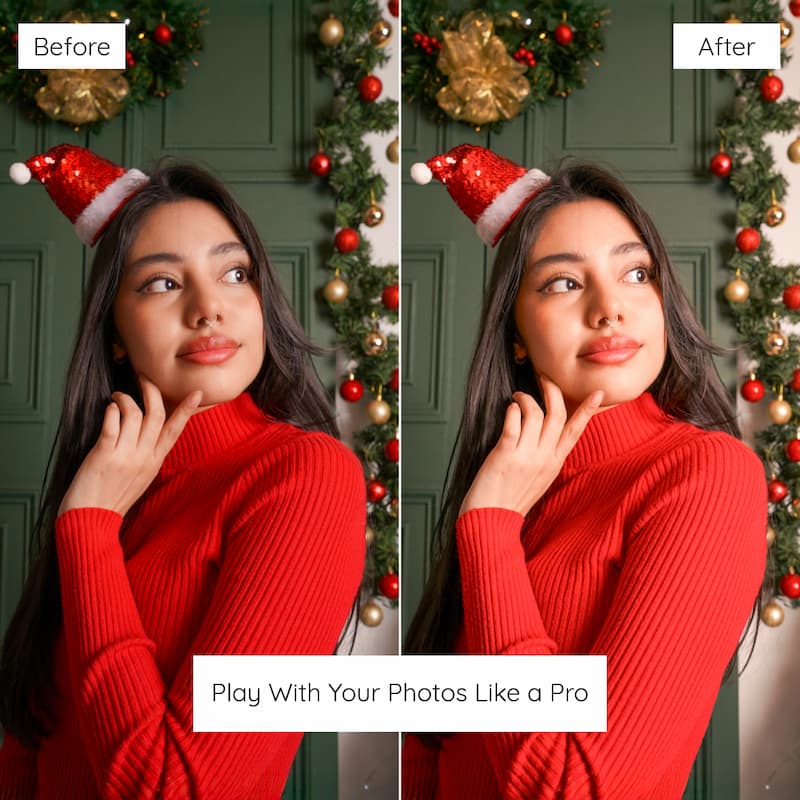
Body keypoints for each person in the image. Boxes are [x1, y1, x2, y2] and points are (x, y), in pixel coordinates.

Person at [0, 145, 366, 799]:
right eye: (162, 283)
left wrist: (87, 533)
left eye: (234, 275)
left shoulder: (304, 477)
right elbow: (31, 744)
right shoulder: (108, 486)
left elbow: (179, 789)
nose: (209, 308)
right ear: (114, 331)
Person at [403, 145, 767, 799]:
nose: (610, 308)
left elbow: (582, 789)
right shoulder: (509, 483)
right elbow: (434, 751)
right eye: (564, 283)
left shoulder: (705, 476)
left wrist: (489, 533)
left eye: (635, 275)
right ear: (515, 330)